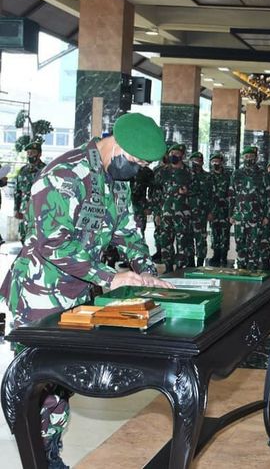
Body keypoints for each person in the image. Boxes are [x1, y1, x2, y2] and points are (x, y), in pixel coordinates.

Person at [0, 112, 173, 468]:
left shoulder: (116, 179)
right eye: (137, 161)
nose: (137, 169)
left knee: (62, 381)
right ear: (118, 146)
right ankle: (38, 458)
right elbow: (51, 242)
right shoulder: (66, 174)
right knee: (37, 385)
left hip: (76, 296)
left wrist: (146, 271)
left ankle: (49, 451)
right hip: (39, 295)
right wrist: (111, 277)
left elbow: (127, 230)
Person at [152, 143, 193, 273]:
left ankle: (180, 269)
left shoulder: (189, 172)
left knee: (182, 242)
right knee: (165, 242)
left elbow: (198, 190)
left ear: (182, 155)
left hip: (182, 213)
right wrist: (157, 213)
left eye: (176, 153)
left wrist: (188, 191)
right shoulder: (161, 172)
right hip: (165, 213)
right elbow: (155, 193)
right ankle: (168, 268)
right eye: (171, 153)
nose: (173, 155)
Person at [229, 147, 270, 270]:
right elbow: (232, 195)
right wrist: (230, 214)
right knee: (240, 243)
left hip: (256, 216)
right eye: (246, 157)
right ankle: (241, 268)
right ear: (243, 158)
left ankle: (253, 268)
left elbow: (269, 196)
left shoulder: (263, 174)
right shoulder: (237, 173)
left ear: (256, 158)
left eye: (251, 157)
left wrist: (266, 215)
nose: (249, 159)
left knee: (254, 244)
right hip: (239, 216)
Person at [14, 141, 46, 244]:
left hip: (41, 209)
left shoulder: (45, 170)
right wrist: (16, 209)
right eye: (28, 153)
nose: (30, 155)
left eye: (33, 152)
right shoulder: (23, 170)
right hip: (25, 209)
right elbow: (18, 191)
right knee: (24, 237)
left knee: (39, 237)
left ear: (40, 154)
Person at [207, 152, 231, 267]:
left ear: (222, 162)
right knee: (214, 233)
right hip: (213, 211)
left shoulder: (228, 176)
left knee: (225, 234)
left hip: (225, 210)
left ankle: (224, 256)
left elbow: (232, 193)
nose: (216, 163)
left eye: (218, 161)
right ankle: (216, 255)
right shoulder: (208, 176)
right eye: (213, 161)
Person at [188, 151, 211, 267]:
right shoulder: (186, 175)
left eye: (197, 160)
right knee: (188, 238)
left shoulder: (208, 176)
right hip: (186, 212)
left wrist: (211, 212)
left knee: (201, 239)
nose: (195, 163)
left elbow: (212, 196)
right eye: (193, 161)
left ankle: (201, 263)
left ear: (202, 162)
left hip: (201, 213)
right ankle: (190, 262)